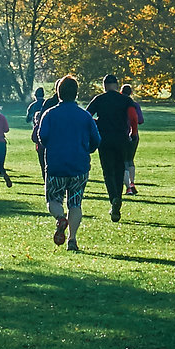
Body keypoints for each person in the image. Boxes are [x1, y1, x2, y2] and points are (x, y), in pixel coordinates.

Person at [34, 75, 102, 251]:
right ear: (76, 93)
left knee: (53, 199)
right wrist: (87, 149)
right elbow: (96, 140)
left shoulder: (50, 114)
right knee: (75, 203)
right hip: (79, 166)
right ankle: (72, 239)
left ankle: (60, 218)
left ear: (58, 92)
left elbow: (42, 137)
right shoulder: (85, 116)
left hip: (56, 165)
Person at [85, 75, 136, 222]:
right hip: (121, 139)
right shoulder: (126, 100)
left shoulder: (99, 99)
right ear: (117, 85)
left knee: (108, 172)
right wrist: (133, 132)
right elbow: (133, 117)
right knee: (120, 170)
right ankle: (118, 199)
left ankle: (113, 198)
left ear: (104, 85)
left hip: (105, 140)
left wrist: (97, 123)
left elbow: (87, 116)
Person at [121, 83, 143, 195]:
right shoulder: (135, 105)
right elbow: (140, 120)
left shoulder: (120, 105)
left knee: (123, 162)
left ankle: (128, 187)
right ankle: (132, 182)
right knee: (130, 160)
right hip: (134, 134)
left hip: (123, 134)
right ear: (131, 93)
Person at [26, 86, 52, 172]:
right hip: (49, 132)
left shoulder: (32, 106)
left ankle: (44, 172)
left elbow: (27, 119)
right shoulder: (47, 104)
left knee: (40, 154)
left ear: (35, 95)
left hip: (37, 132)